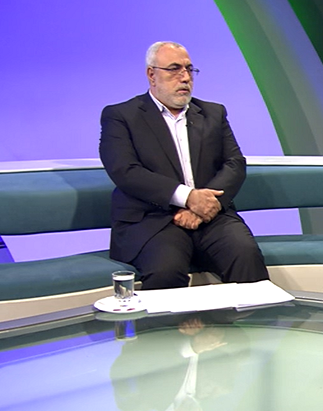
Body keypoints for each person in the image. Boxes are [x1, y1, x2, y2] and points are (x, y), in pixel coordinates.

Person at [100, 41, 269, 289]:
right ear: (151, 74)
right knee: (165, 271)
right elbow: (126, 171)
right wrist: (188, 197)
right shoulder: (122, 116)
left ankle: (254, 316)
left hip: (212, 216)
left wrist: (204, 206)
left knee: (246, 255)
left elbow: (234, 163)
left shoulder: (213, 113)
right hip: (152, 220)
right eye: (174, 69)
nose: (185, 77)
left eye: (190, 69)